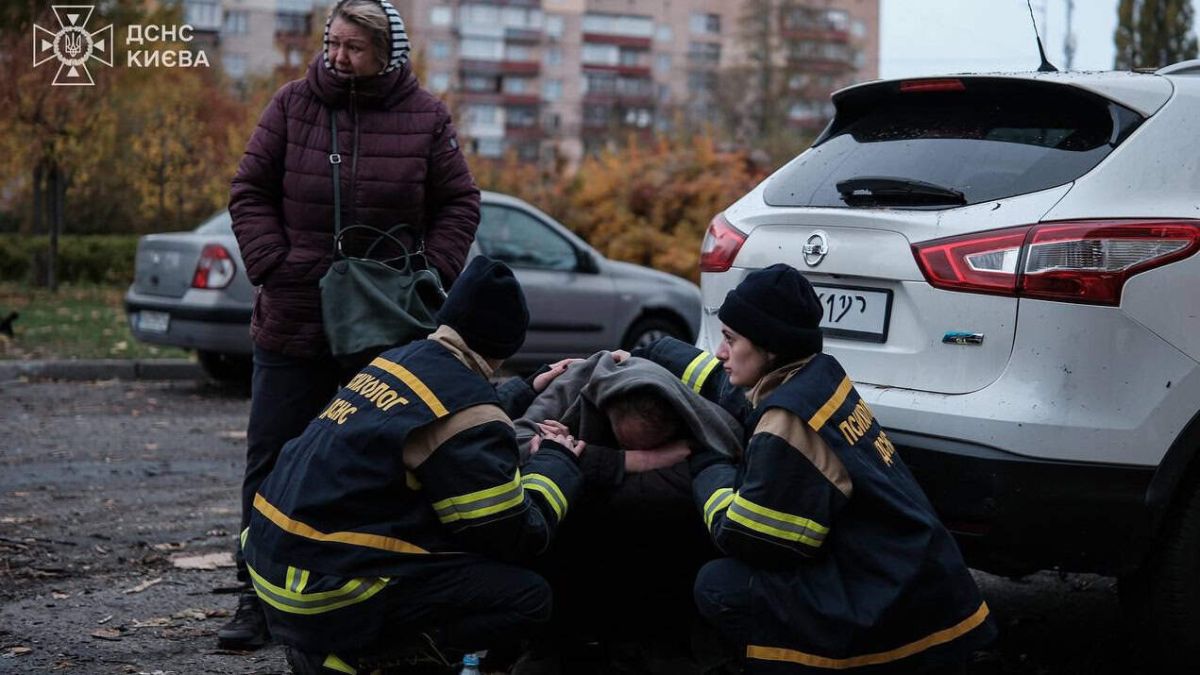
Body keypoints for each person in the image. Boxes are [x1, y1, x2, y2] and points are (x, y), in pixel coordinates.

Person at [222, 0, 480, 648]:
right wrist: (276, 264)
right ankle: (258, 598)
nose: (336, 57)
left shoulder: (425, 116)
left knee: (380, 461)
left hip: (386, 323)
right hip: (294, 316)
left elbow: (459, 202)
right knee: (272, 457)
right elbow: (249, 189)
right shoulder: (291, 105)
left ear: (386, 52)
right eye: (331, 43)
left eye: (352, 48)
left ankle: (370, 592)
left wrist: (428, 274)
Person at [634, 264, 996, 673]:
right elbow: (722, 383)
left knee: (721, 585)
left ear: (769, 345)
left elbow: (747, 539)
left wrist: (706, 459)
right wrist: (648, 354)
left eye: (731, 340)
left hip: (896, 610)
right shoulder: (813, 377)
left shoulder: (788, 421)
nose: (720, 352)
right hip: (924, 586)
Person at [239, 257, 584, 674]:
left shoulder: (399, 360)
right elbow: (513, 535)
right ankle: (368, 658)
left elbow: (439, 415)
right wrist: (557, 460)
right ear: (509, 342)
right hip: (323, 590)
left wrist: (524, 389)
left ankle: (323, 647)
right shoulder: (468, 413)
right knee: (527, 597)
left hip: (275, 567)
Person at [511, 352, 744, 673]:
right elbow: (515, 442)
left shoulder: (702, 418)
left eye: (649, 450)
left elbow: (713, 465)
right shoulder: (579, 384)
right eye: (631, 446)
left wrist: (575, 463)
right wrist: (629, 463)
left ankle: (654, 643)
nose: (640, 455)